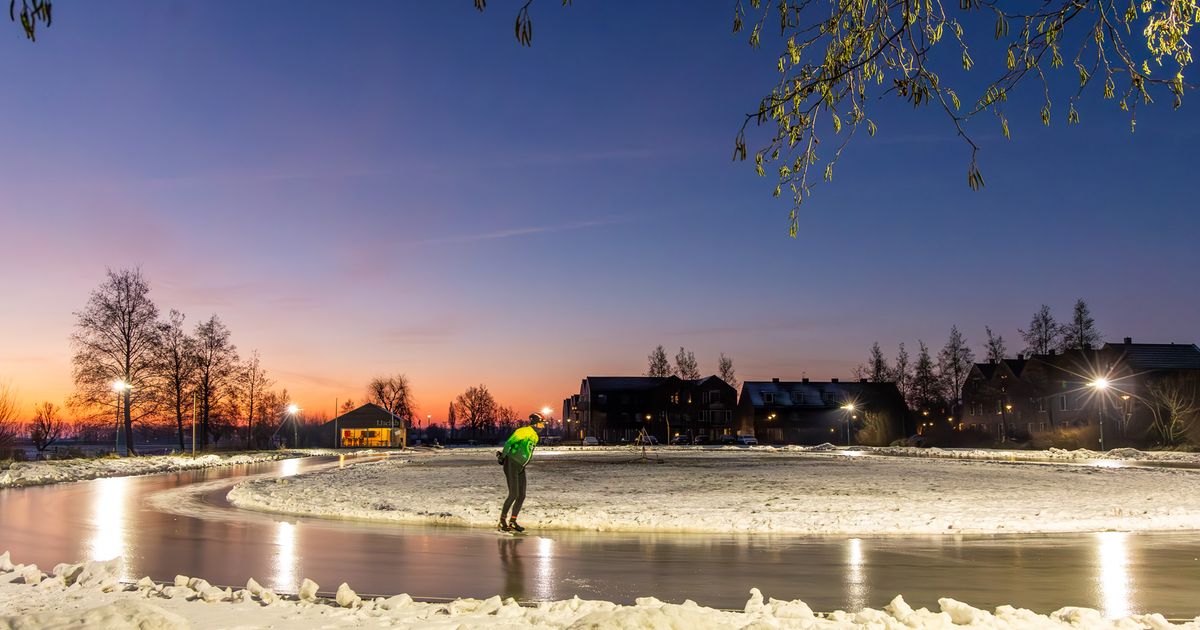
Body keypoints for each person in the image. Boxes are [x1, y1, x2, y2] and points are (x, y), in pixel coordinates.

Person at [499, 412, 545, 532]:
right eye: (541, 424)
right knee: (513, 494)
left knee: (522, 495)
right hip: (511, 463)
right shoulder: (523, 431)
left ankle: (512, 521)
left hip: (520, 466)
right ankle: (502, 521)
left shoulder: (535, 436)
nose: (543, 427)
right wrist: (502, 457)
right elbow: (509, 443)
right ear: (535, 424)